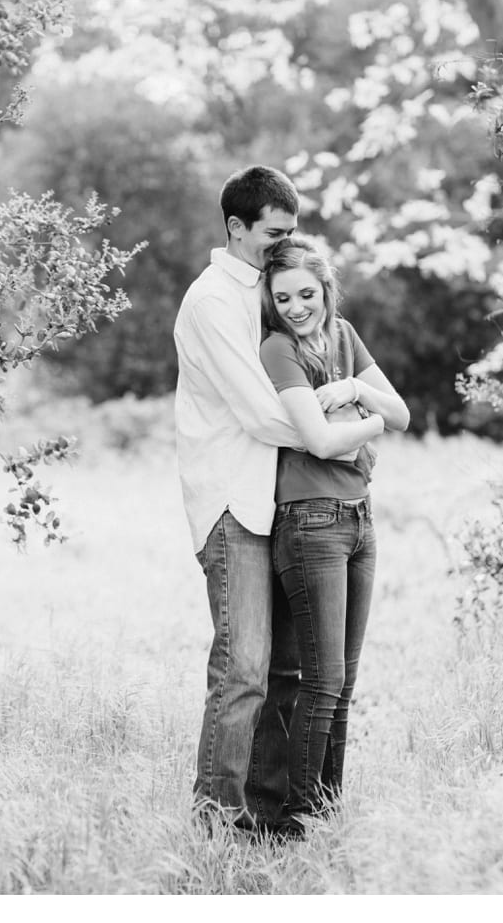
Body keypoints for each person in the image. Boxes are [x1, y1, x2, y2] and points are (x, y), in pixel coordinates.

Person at [173, 167, 379, 839]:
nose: (285, 243)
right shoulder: (211, 301)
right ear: (236, 229)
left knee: (286, 668)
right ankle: (215, 821)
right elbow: (264, 417)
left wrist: (342, 419)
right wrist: (340, 440)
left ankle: (263, 815)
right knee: (244, 666)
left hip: (281, 503)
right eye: (274, 233)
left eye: (291, 231)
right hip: (234, 496)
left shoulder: (263, 291)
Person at [257, 235, 410, 835]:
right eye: (284, 296)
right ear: (271, 301)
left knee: (344, 682)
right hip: (310, 523)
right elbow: (320, 441)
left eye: (307, 293)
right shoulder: (277, 350)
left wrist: (352, 394)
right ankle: (294, 817)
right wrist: (369, 425)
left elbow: (401, 414)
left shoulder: (343, 336)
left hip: (360, 520)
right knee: (320, 682)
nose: (297, 306)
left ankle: (326, 809)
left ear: (325, 289)